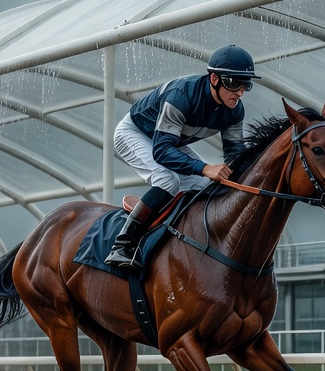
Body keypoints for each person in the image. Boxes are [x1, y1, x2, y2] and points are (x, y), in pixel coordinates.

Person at [104, 44, 259, 270]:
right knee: (168, 180)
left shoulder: (235, 110)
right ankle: (122, 245)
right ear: (214, 79)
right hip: (135, 133)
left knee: (205, 185)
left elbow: (235, 154)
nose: (239, 92)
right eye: (233, 84)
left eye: (245, 84)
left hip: (168, 140)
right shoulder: (181, 96)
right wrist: (205, 167)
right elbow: (162, 151)